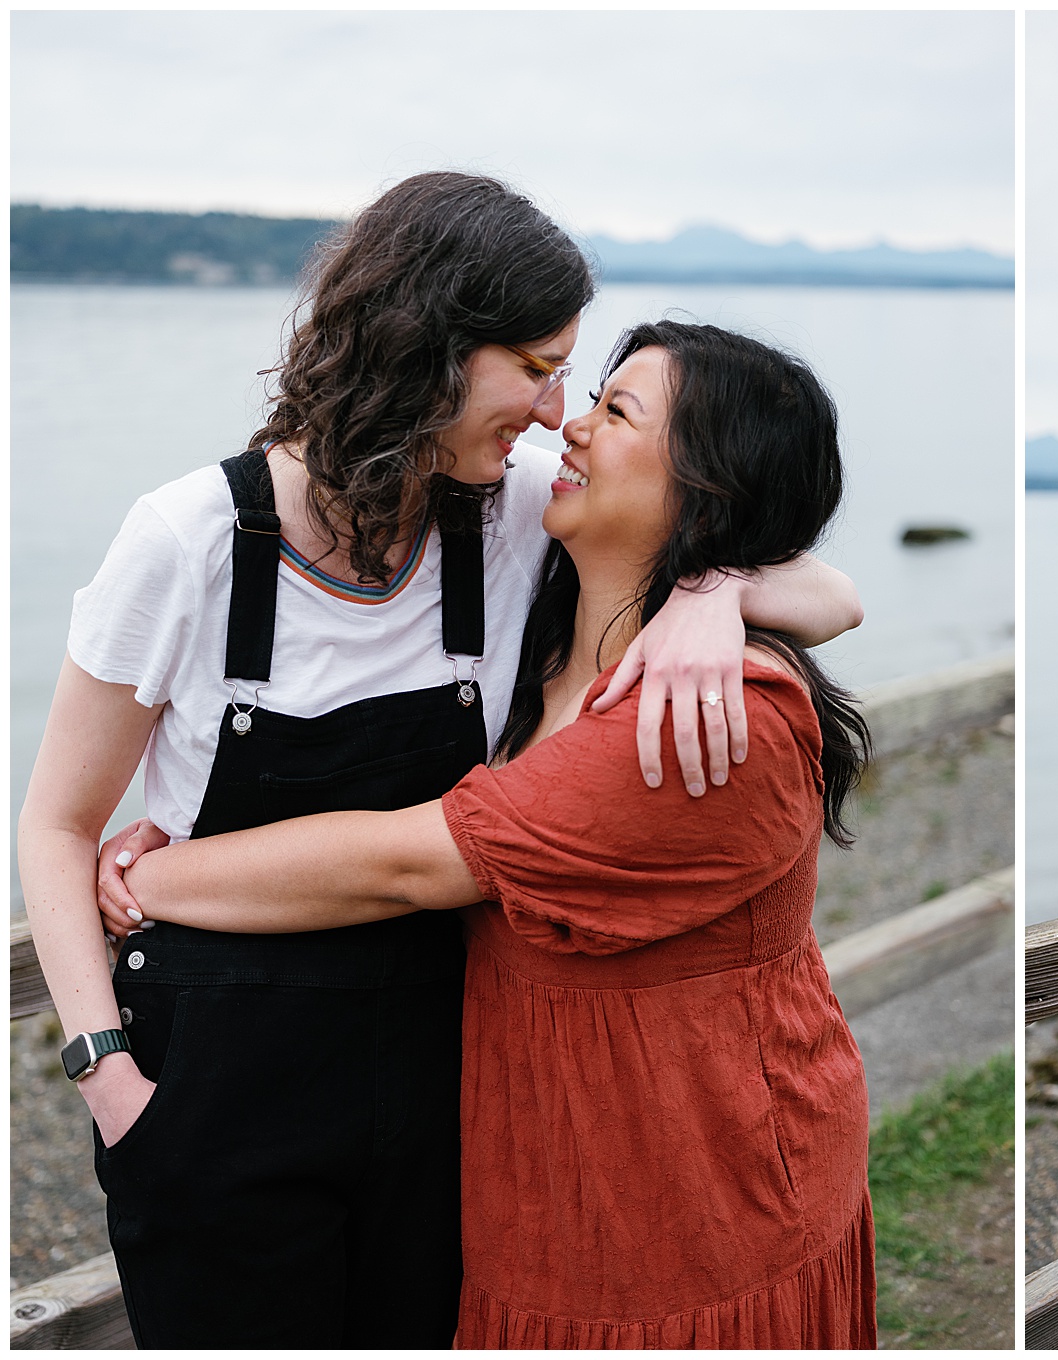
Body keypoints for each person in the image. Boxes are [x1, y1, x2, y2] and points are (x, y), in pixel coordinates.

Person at [18, 173, 860, 1348]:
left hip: (439, 1083)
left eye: (582, 380)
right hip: (217, 1084)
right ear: (427, 346)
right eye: (534, 363)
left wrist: (718, 590)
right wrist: (105, 1071)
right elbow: (57, 824)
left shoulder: (512, 509)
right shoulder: (189, 543)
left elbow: (771, 550)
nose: (556, 407)